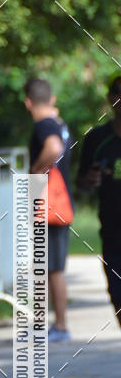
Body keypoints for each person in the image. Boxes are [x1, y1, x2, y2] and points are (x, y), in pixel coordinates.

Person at [23, 78, 74, 342]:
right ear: (52, 99)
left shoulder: (44, 125)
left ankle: (60, 326)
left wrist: (35, 171)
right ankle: (49, 324)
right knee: (48, 266)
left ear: (28, 102)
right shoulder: (61, 124)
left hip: (48, 205)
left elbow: (53, 148)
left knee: (50, 268)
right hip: (60, 203)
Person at [76, 76, 121, 326]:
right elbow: (81, 183)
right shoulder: (96, 138)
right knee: (118, 296)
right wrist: (89, 181)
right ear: (111, 99)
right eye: (118, 94)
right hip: (113, 232)